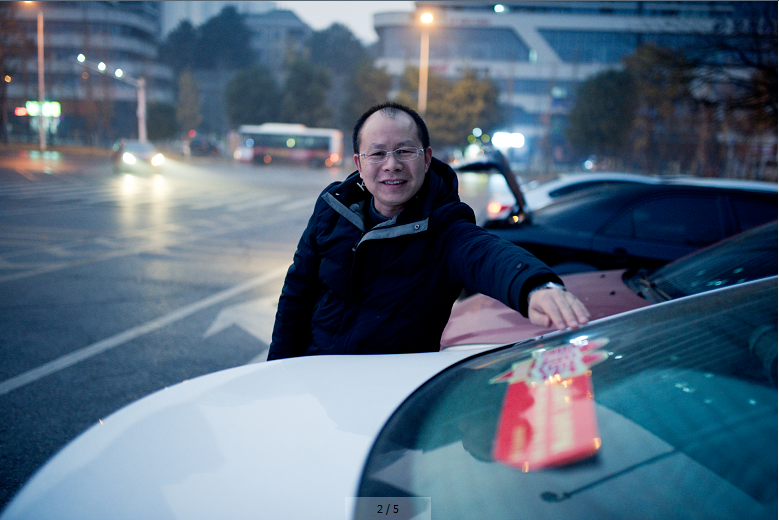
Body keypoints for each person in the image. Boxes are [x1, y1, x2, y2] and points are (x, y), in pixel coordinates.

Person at [267, 102, 589, 360]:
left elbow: (487, 254)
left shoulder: (444, 230)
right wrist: (278, 370)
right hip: (316, 376)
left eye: (405, 151)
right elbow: (296, 297)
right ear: (359, 164)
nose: (391, 165)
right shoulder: (332, 209)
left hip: (392, 397)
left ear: (426, 159)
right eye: (377, 153)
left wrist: (536, 286)